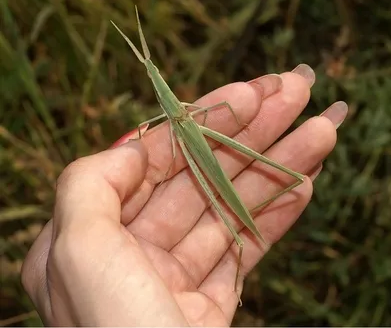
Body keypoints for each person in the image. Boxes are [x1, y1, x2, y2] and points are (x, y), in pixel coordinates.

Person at [22, 64, 348, 326]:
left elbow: (208, 110)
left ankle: (262, 206)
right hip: (189, 141)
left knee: (287, 176)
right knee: (235, 233)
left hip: (192, 130)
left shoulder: (176, 109)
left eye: (155, 75)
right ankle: (246, 226)